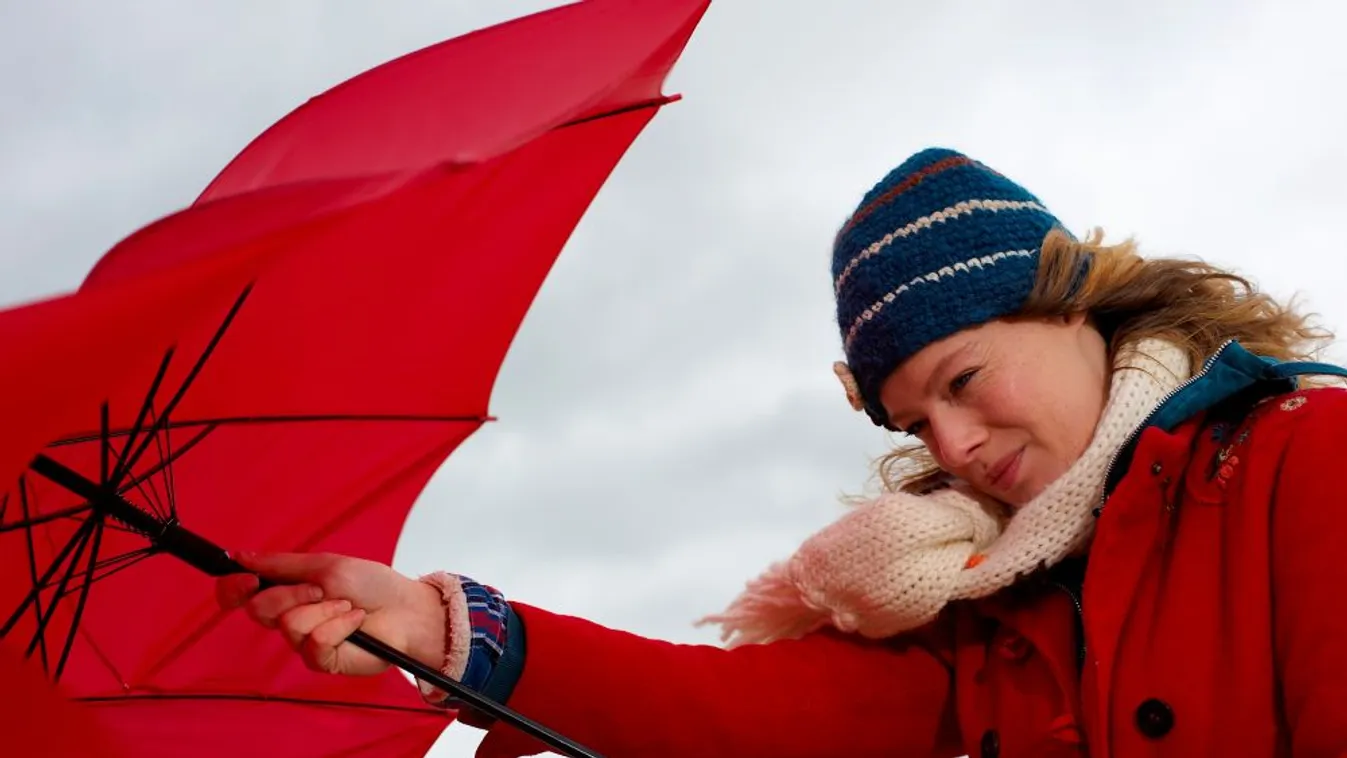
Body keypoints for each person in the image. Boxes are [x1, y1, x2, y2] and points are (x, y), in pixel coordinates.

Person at [216, 148, 1347, 757]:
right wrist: (441, 630)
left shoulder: (1301, 456)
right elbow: (742, 712)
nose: (952, 445)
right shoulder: (973, 593)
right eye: (912, 423)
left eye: (961, 380)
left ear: (1067, 303)